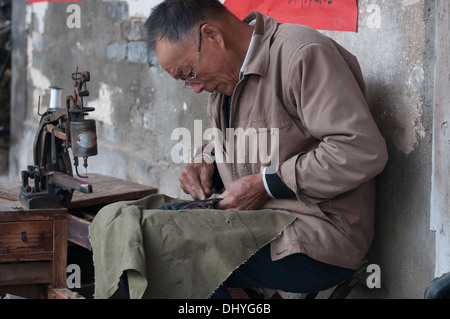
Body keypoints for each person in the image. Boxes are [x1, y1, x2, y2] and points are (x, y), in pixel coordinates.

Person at [144, 0, 388, 298]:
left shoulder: (301, 54)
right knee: (142, 233)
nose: (195, 87)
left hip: (320, 233)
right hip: (257, 220)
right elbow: (244, 137)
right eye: (185, 81)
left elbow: (360, 149)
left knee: (176, 252)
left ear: (212, 36)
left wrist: (268, 184)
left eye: (189, 72)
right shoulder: (226, 82)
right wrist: (207, 160)